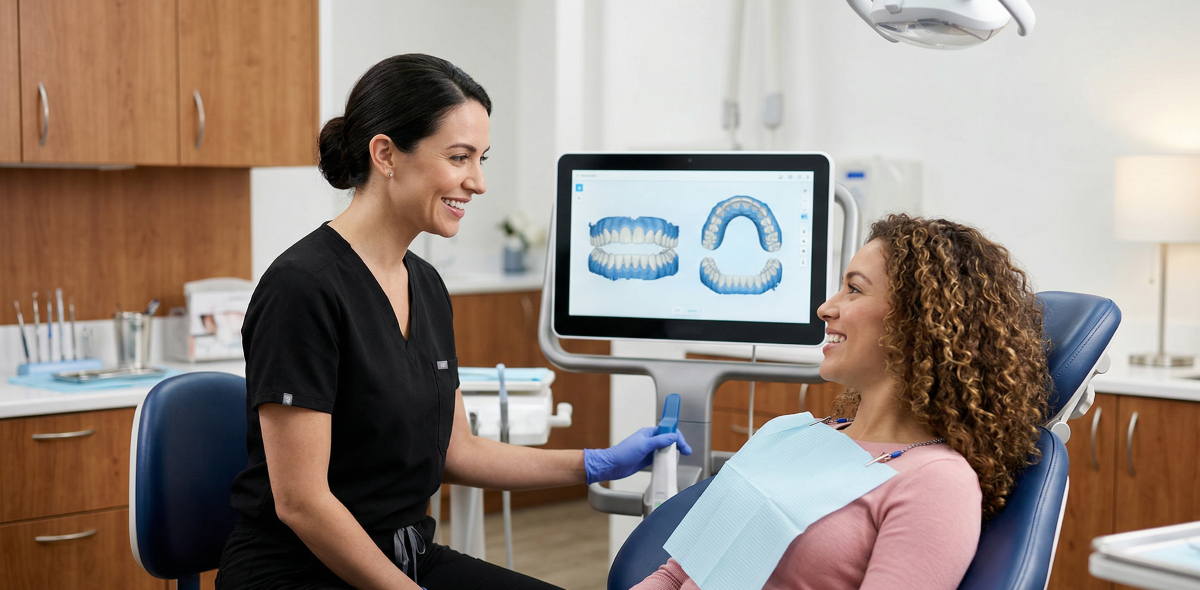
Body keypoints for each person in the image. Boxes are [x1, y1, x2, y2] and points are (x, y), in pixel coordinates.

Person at [215, 54, 689, 590]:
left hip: (407, 555)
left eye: (481, 159)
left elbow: (458, 451)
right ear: (386, 154)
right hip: (300, 571)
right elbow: (302, 502)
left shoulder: (425, 285)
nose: (478, 183)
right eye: (460, 157)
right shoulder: (302, 288)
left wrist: (597, 463)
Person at [634, 214, 1050, 590]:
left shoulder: (936, 481)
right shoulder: (789, 432)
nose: (825, 308)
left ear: (919, 319)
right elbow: (674, 576)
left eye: (854, 289)